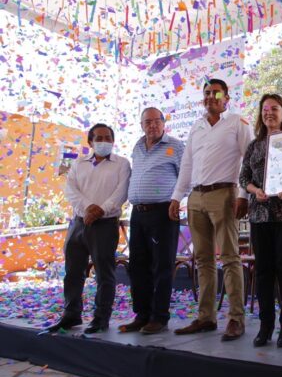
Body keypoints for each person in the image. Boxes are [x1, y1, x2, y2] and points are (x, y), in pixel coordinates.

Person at [169, 78, 253, 341]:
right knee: (203, 260)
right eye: (206, 93)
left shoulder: (237, 123)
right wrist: (176, 197)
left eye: (216, 93)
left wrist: (243, 195)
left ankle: (236, 319)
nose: (210, 97)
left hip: (224, 194)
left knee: (229, 258)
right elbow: (187, 165)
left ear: (226, 98)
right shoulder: (197, 126)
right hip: (196, 197)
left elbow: (249, 161)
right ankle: (206, 317)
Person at [47, 123, 131, 334]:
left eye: (108, 138)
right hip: (78, 223)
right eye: (99, 138)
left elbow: (121, 192)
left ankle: (101, 318)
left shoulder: (122, 164)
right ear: (90, 142)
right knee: (73, 272)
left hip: (105, 224)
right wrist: (88, 208)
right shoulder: (78, 163)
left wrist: (101, 210)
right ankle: (71, 314)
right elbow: (70, 190)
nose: (104, 142)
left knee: (104, 274)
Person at [239, 94, 282, 348]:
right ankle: (266, 325)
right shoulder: (254, 145)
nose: (269, 113)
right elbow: (244, 178)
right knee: (263, 271)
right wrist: (255, 191)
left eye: (274, 108)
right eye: (264, 109)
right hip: (260, 214)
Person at [119, 107, 184, 335]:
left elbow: (187, 178)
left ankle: (159, 317)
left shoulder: (175, 146)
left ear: (164, 123)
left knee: (161, 266)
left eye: (157, 121)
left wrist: (177, 201)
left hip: (163, 212)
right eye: (147, 122)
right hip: (138, 213)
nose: (152, 125)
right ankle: (142, 315)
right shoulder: (137, 147)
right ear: (141, 125)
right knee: (138, 265)